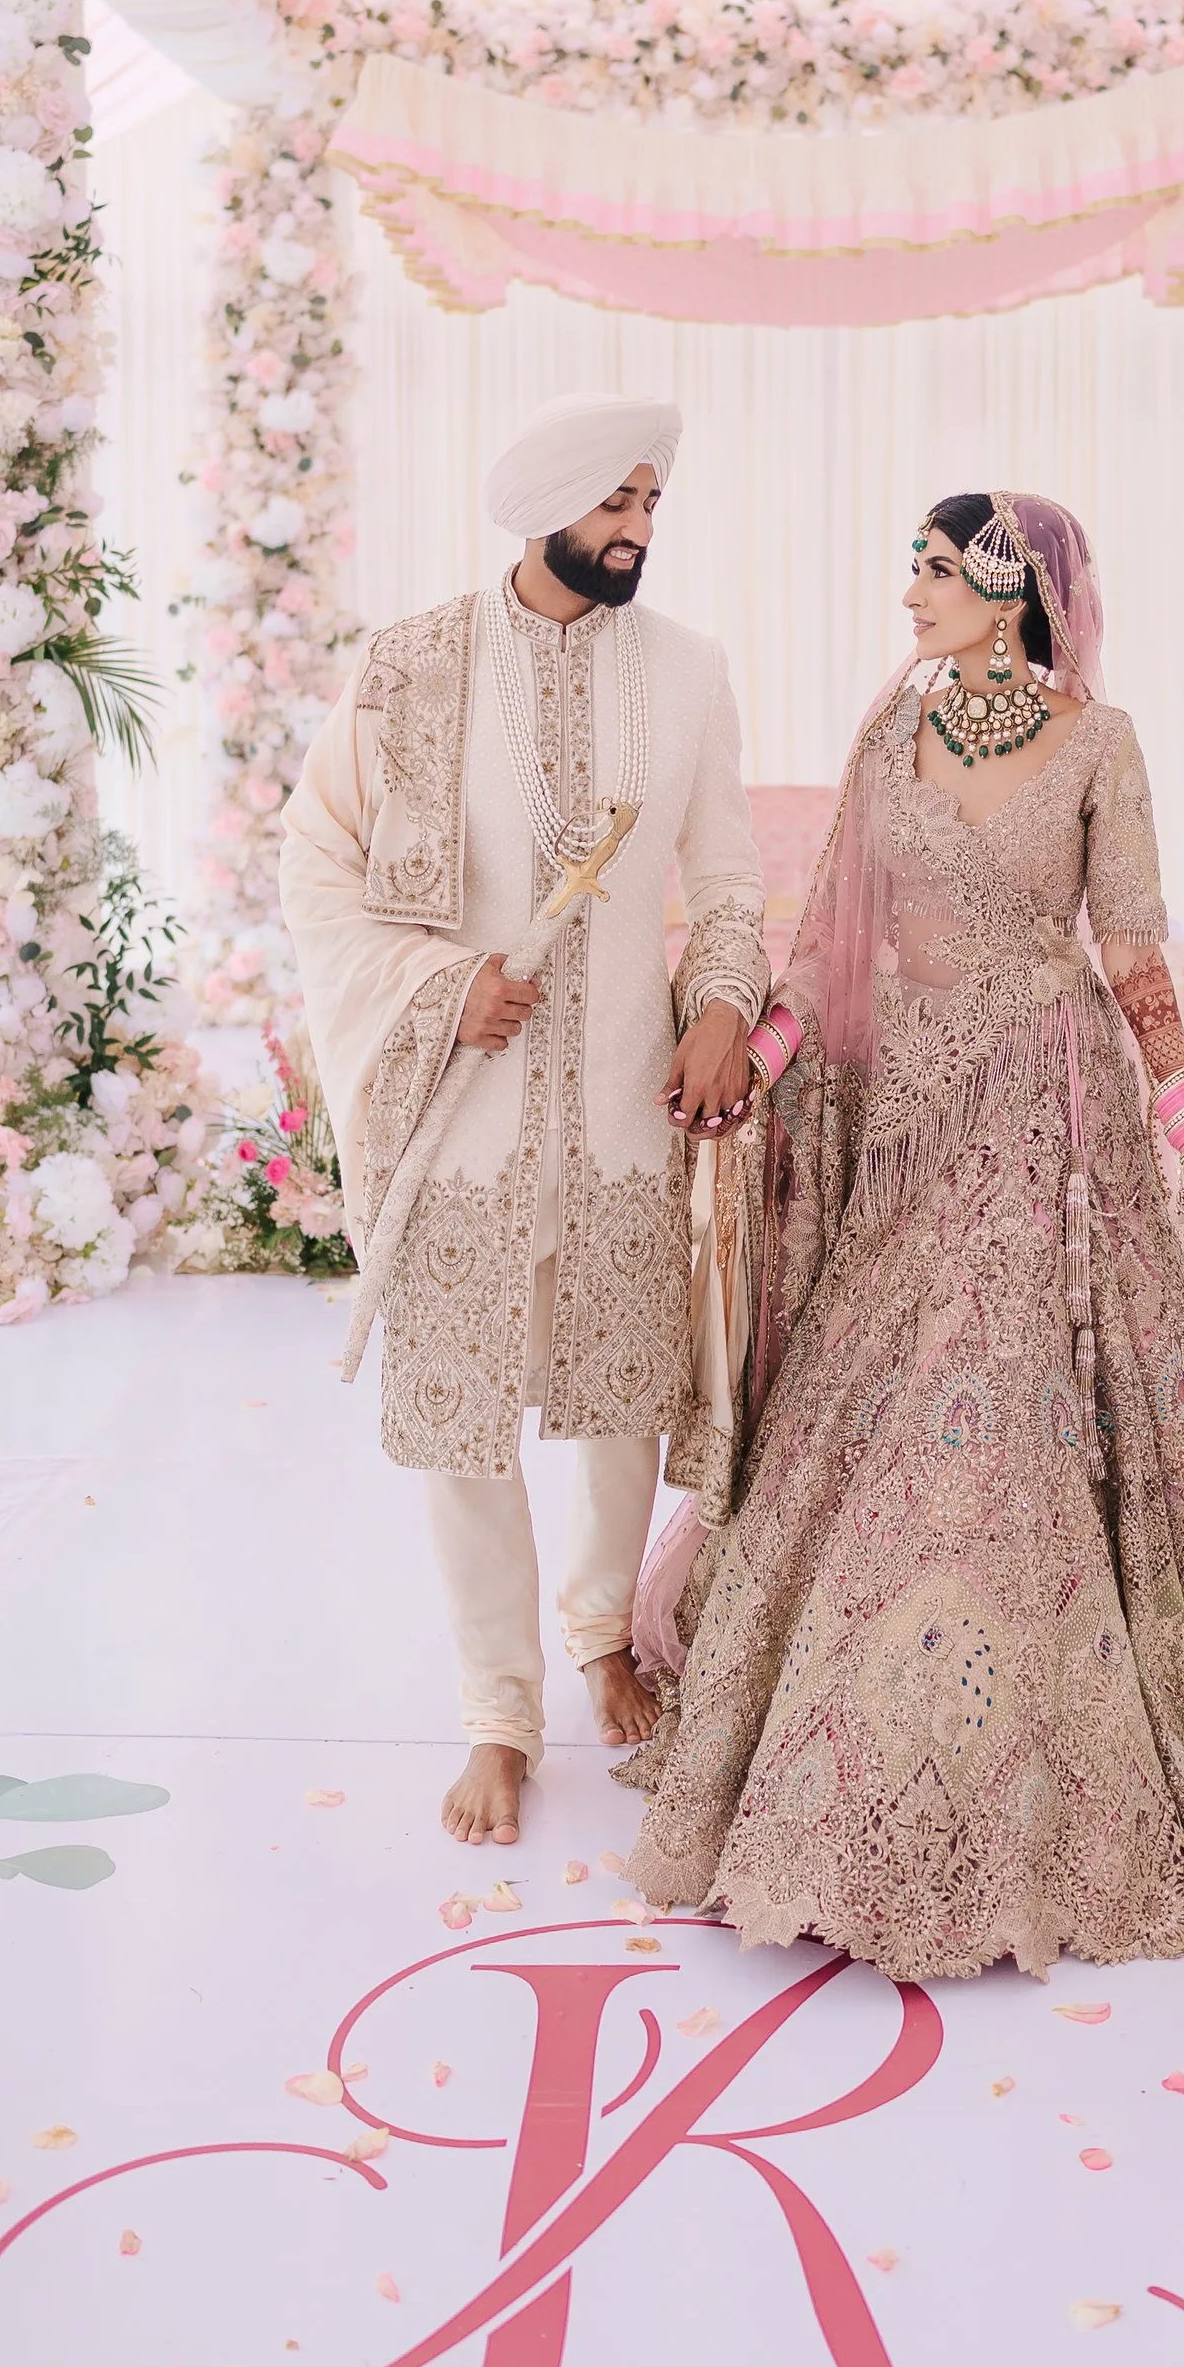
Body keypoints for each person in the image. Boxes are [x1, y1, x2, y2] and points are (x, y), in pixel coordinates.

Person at [621, 491, 1184, 1981]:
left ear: (1015, 587)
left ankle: (1023, 1757)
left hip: (1050, 1117)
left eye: (937, 568)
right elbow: (826, 937)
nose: (911, 591)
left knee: (1022, 1418)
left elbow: (1137, 957)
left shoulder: (1101, 743)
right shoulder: (889, 736)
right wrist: (746, 1082)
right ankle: (864, 1741)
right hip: (907, 1113)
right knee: (884, 1409)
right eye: (908, 562)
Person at [281, 392, 769, 1852]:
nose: (636, 531)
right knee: (465, 1430)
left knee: (622, 1402)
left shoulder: (687, 671)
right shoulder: (412, 668)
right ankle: (499, 1707)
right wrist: (444, 985)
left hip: (624, 1111)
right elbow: (319, 866)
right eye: (616, 505)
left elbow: (731, 878)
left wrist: (724, 1003)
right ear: (544, 505)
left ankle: (604, 1630)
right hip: (463, 1119)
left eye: (649, 507)